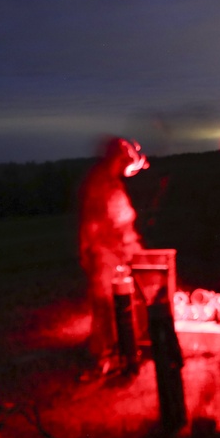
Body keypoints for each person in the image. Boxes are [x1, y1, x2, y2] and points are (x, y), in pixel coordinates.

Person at [78, 136, 148, 380]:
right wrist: (92, 251)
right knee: (106, 305)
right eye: (123, 160)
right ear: (115, 159)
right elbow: (96, 225)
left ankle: (127, 348)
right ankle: (106, 355)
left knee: (123, 305)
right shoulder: (100, 185)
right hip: (104, 255)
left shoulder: (111, 182)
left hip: (115, 253)